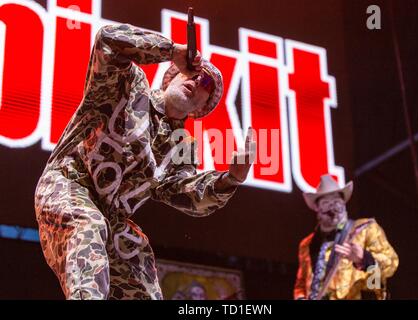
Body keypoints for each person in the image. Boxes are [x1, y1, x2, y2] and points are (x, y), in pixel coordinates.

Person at [34, 23, 255, 300]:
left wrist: (230, 179)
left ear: (201, 108)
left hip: (112, 216)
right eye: (194, 73)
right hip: (69, 184)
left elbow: (186, 192)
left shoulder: (182, 145)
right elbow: (108, 40)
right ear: (171, 76)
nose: (197, 82)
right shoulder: (128, 84)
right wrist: (170, 50)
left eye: (206, 85)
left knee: (138, 263)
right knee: (89, 227)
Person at [293, 174, 399, 300]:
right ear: (317, 208)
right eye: (326, 203)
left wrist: (365, 260)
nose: (333, 207)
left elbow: (389, 267)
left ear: (344, 203)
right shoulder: (306, 244)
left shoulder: (365, 229)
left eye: (337, 202)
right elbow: (301, 283)